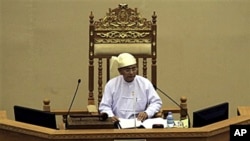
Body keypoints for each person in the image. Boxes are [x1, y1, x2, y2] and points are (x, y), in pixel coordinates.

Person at [99, 53, 162, 123]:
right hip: (117, 123)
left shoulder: (145, 83)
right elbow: (104, 106)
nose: (131, 72)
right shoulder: (111, 84)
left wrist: (147, 113)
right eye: (127, 70)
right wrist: (111, 116)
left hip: (140, 122)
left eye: (134, 69)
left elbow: (156, 102)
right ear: (120, 71)